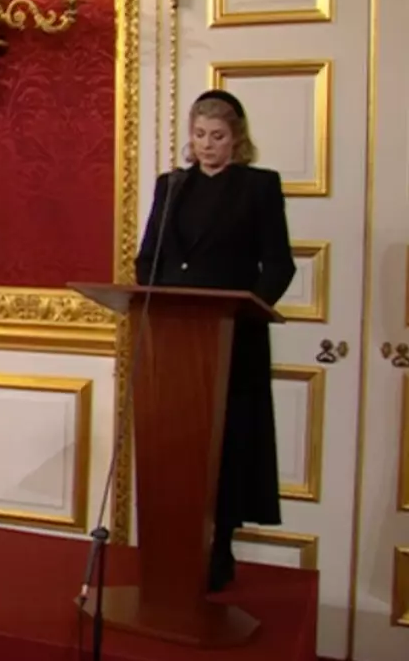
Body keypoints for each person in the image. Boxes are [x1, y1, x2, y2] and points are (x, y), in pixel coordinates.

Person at [135, 88, 295, 592]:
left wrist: (247, 307)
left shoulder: (258, 187)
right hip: (176, 340)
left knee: (227, 444)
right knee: (176, 439)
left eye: (218, 137)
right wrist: (152, 295)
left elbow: (279, 263)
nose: (207, 145)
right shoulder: (172, 185)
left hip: (232, 338)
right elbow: (148, 259)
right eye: (199, 135)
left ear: (237, 139)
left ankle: (219, 546)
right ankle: (172, 547)